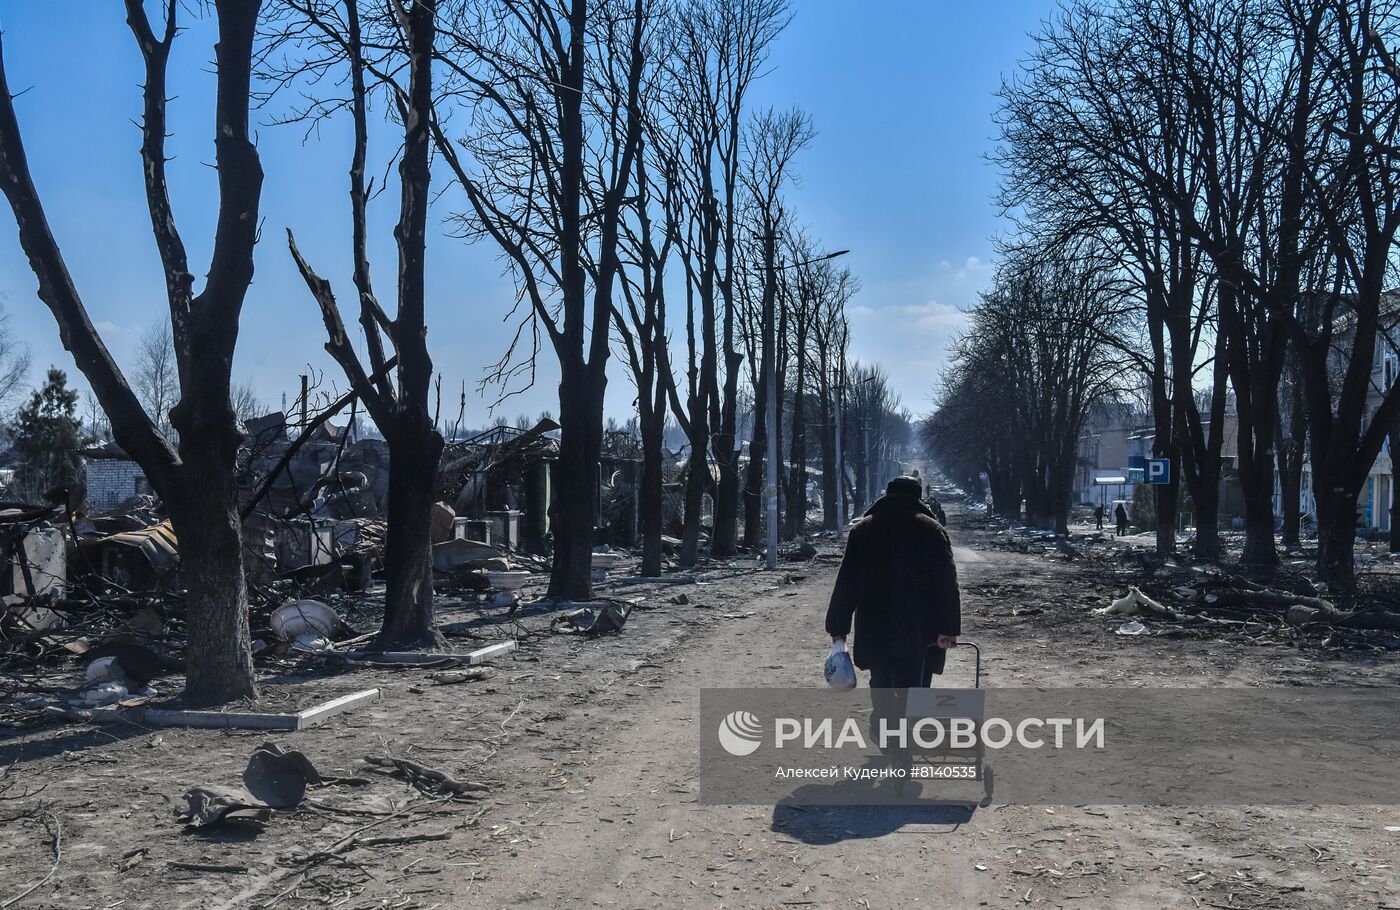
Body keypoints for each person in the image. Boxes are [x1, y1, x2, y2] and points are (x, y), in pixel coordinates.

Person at [826, 476, 962, 776]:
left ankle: (887, 730)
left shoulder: (864, 529)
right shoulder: (932, 529)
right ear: (918, 497)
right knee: (917, 680)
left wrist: (838, 626)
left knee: (882, 681)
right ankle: (909, 736)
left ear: (887, 495)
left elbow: (847, 580)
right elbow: (946, 583)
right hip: (921, 628)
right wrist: (948, 627)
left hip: (877, 624)